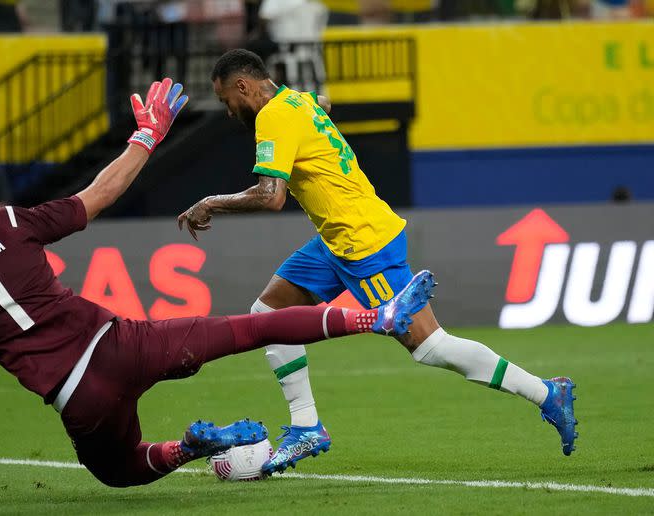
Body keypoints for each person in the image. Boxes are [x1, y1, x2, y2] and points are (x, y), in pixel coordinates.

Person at [0, 78, 435, 488]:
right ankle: (378, 317)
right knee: (250, 327)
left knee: (120, 473)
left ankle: (189, 447)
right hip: (124, 345)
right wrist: (147, 136)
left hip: (79, 399)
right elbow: (97, 196)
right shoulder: (7, 223)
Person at [178, 50, 578, 475]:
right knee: (268, 313)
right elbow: (321, 104)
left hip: (363, 241)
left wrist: (210, 203)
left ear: (243, 86)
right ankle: (306, 425)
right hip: (335, 239)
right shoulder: (296, 100)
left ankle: (545, 393)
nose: (227, 111)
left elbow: (270, 195)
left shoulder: (274, 116)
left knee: (430, 346)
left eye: (226, 100)